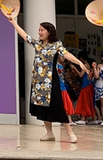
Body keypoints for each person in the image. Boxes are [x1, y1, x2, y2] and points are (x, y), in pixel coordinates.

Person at [7, 15, 86, 143]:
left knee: (58, 106)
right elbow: (25, 36)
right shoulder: (37, 44)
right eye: (39, 30)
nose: (39, 32)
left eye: (42, 30)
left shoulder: (56, 45)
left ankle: (70, 132)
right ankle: (49, 133)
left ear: (49, 32)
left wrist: (79, 62)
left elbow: (66, 54)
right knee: (42, 107)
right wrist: (13, 23)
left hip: (51, 80)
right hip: (38, 81)